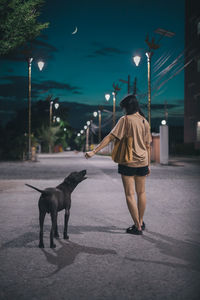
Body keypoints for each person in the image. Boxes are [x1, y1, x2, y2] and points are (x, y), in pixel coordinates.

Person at [85, 94, 152, 235]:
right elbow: (148, 145)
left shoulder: (125, 120)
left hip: (127, 162)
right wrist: (148, 164)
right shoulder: (144, 121)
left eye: (124, 108)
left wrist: (94, 151)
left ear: (128, 107)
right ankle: (140, 221)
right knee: (141, 193)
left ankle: (138, 226)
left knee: (129, 194)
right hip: (143, 162)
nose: (123, 111)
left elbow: (110, 137)